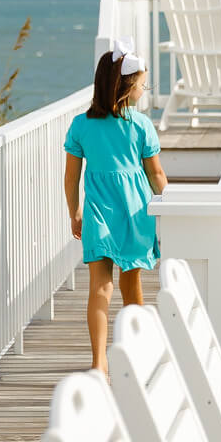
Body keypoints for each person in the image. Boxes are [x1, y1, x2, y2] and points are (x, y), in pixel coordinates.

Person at [63, 38, 169, 371]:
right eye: (142, 84)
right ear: (126, 87)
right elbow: (156, 175)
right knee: (131, 282)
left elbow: (71, 178)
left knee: (100, 287)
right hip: (134, 210)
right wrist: (171, 205)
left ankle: (99, 363)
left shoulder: (81, 125)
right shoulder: (140, 125)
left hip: (98, 212)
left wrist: (74, 212)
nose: (144, 90)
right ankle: (136, 354)